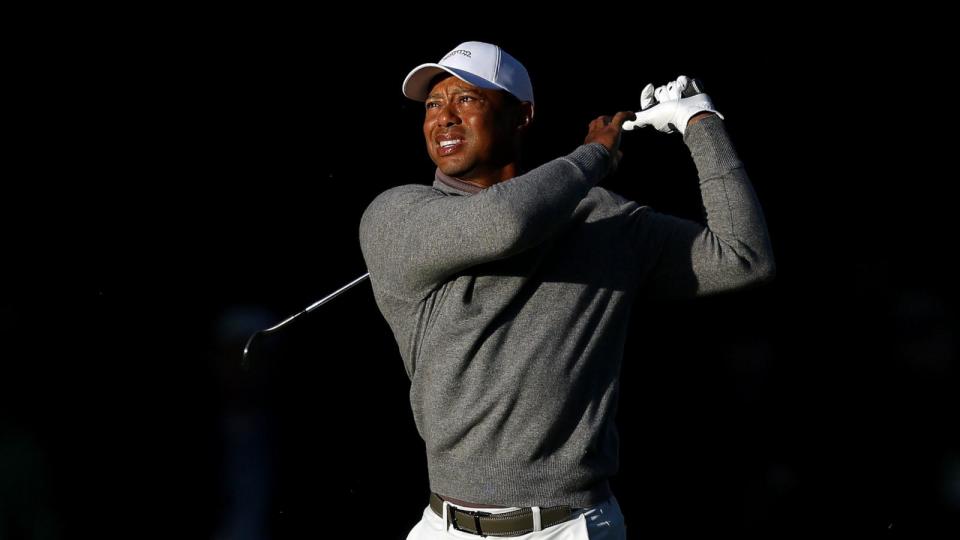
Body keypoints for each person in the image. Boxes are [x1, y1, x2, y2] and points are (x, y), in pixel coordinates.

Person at [358, 41, 775, 539]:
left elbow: (743, 258)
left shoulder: (602, 218)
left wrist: (702, 125)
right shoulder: (396, 215)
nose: (443, 118)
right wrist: (593, 156)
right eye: (432, 105)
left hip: (570, 527)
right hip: (444, 527)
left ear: (522, 115)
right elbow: (507, 222)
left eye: (467, 99)